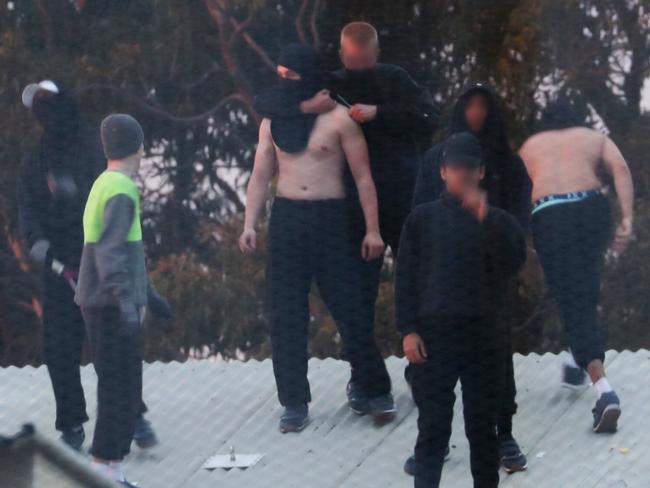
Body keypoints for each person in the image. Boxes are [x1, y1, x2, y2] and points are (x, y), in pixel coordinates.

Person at [255, 22, 438, 414]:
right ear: (340, 56)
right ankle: (357, 381)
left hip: (399, 197)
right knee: (354, 300)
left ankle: (419, 369)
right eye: (351, 61)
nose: (357, 69)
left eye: (364, 61)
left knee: (418, 286)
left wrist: (379, 113)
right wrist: (306, 107)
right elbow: (270, 100)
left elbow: (427, 116)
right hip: (345, 211)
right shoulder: (327, 86)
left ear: (375, 52)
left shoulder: (393, 79)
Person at [240, 44, 393, 433]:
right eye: (281, 75)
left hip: (331, 219)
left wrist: (373, 230)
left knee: (350, 308)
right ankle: (293, 401)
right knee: (286, 313)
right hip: (287, 217)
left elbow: (363, 178)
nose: (285, 82)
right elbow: (260, 176)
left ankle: (373, 388)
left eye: (292, 75)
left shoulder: (340, 119)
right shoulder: (273, 122)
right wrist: (248, 224)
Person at [16, 81, 159, 452]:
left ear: (67, 101)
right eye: (38, 106)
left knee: (114, 349)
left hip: (100, 269)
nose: (45, 111)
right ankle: (72, 424)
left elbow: (116, 215)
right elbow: (28, 225)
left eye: (50, 101)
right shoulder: (34, 163)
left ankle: (133, 415)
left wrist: (139, 286)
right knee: (59, 348)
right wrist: (53, 261)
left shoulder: (98, 150)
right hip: (60, 270)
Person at [407, 83, 531, 474]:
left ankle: (506, 433)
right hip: (436, 327)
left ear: (481, 171)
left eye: (469, 168)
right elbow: (408, 273)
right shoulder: (424, 215)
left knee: (484, 430)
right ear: (443, 170)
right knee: (432, 428)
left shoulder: (504, 188)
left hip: (485, 324)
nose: (461, 174)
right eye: (454, 167)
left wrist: (487, 219)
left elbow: (515, 254)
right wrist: (408, 328)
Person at [519, 97, 634, 433]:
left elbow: (514, 191)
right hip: (592, 207)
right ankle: (574, 360)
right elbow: (621, 169)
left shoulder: (531, 145)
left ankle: (603, 390)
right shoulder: (591, 137)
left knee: (571, 296)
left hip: (551, 212)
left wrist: (522, 240)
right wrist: (627, 220)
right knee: (584, 287)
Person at [74, 114, 171, 487]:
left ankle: (111, 469)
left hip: (104, 301)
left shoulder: (105, 182)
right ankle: (104, 468)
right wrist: (128, 304)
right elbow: (111, 254)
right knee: (120, 389)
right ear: (139, 147)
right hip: (109, 305)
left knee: (121, 387)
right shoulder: (121, 190)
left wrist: (150, 296)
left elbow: (127, 253)